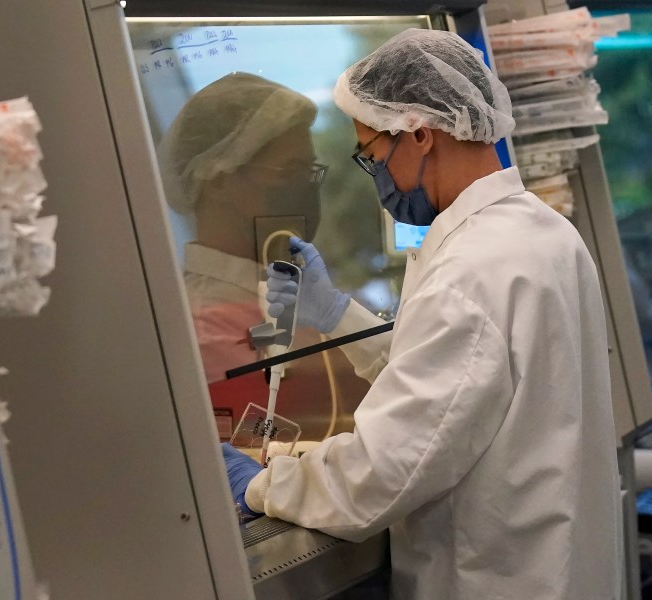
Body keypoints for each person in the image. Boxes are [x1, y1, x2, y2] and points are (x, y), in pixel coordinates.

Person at [222, 28, 622, 599]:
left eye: (371, 155)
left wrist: (260, 485)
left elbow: (378, 476)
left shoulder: (471, 271)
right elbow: (460, 383)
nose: (376, 179)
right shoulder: (545, 231)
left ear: (419, 133)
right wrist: (336, 313)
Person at [158, 73, 371, 440]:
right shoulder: (199, 326)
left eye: (309, 172)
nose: (305, 188)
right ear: (218, 179)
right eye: (290, 171)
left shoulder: (304, 290)